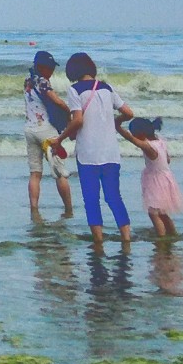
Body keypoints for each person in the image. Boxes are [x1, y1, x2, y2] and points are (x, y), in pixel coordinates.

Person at [57, 52, 133, 247]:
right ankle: (126, 238)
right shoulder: (106, 88)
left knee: (91, 199)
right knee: (114, 197)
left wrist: (60, 138)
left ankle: (98, 242)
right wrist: (116, 122)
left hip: (88, 154)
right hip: (111, 152)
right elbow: (128, 113)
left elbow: (78, 120)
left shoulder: (75, 90)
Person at [23, 50, 74, 219]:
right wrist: (68, 111)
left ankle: (34, 209)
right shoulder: (43, 81)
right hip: (46, 131)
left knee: (35, 173)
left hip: (29, 129)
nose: (52, 71)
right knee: (60, 172)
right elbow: (56, 100)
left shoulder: (28, 80)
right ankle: (68, 209)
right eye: (50, 68)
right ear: (42, 67)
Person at [122, 115, 183, 238]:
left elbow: (132, 140)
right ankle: (173, 233)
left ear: (141, 134)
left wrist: (118, 128)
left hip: (155, 181)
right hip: (166, 178)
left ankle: (161, 236)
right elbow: (168, 159)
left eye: (134, 134)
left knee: (154, 213)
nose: (134, 136)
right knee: (163, 213)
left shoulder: (148, 146)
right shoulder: (160, 141)